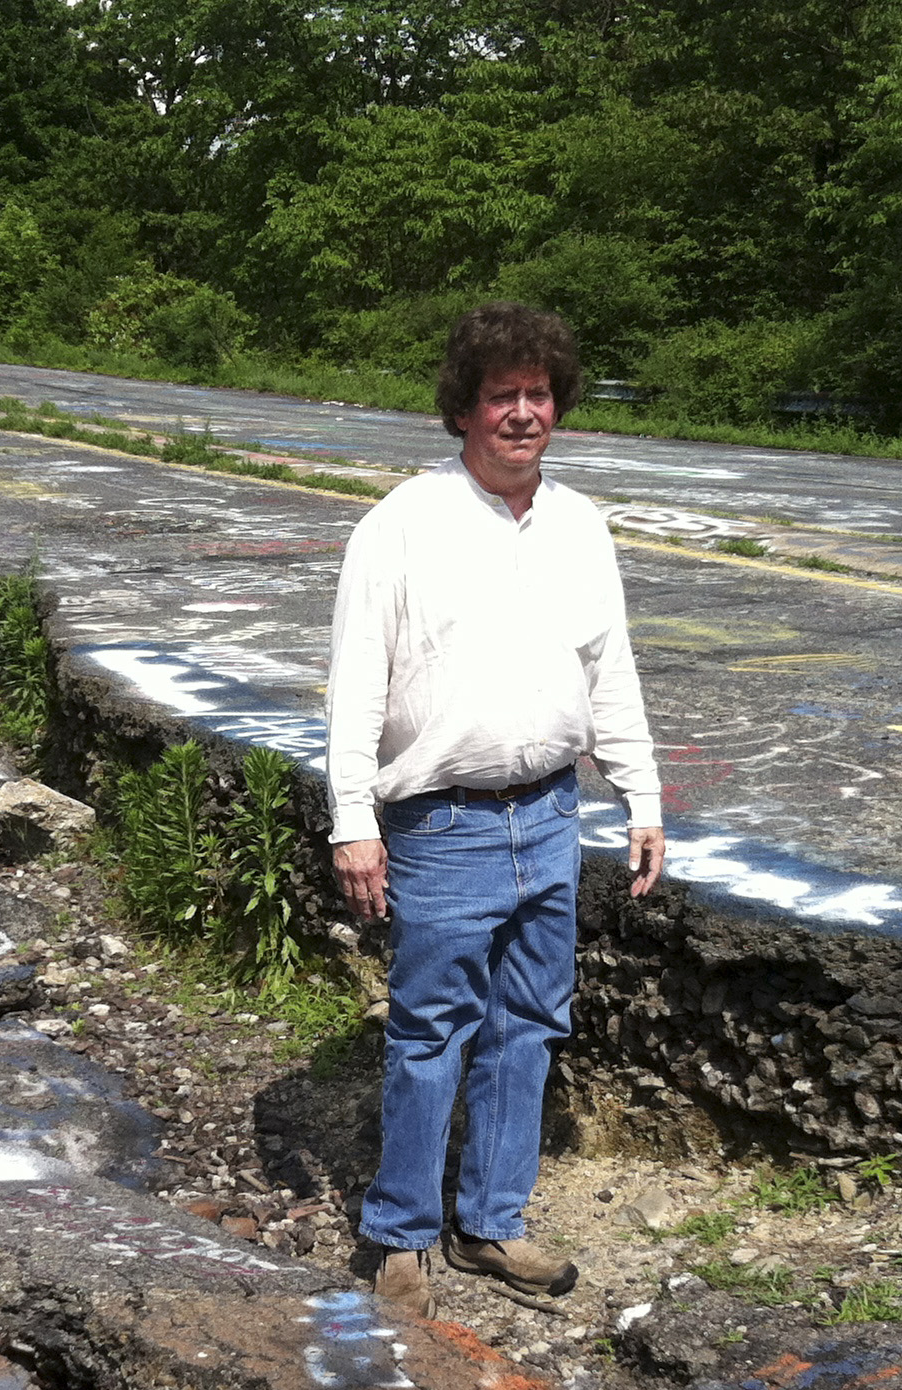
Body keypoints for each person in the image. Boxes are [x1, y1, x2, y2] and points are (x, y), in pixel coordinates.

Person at [325, 301, 664, 1320]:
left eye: (539, 394)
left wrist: (640, 792)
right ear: (464, 410)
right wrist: (354, 819)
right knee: (431, 1032)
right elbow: (354, 688)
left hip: (550, 816)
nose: (524, 413)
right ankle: (399, 1232)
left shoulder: (581, 525)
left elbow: (608, 670)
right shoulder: (400, 527)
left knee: (527, 1025)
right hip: (444, 824)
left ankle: (492, 1222)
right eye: (502, 395)